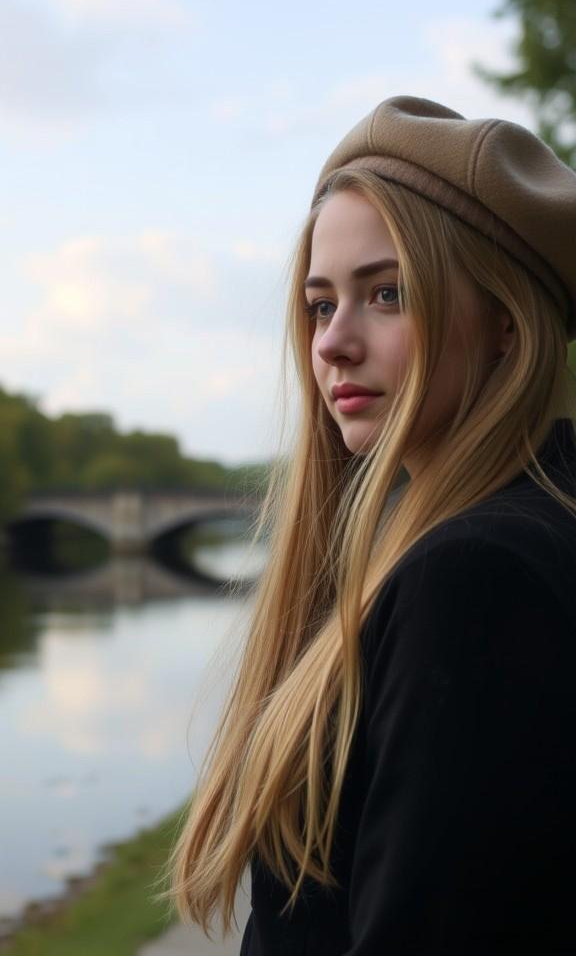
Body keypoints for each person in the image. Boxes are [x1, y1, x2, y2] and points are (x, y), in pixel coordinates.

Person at [161, 96, 576, 953]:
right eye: (320, 305)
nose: (334, 344)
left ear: (505, 323)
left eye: (386, 294)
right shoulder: (520, 534)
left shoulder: (474, 576)